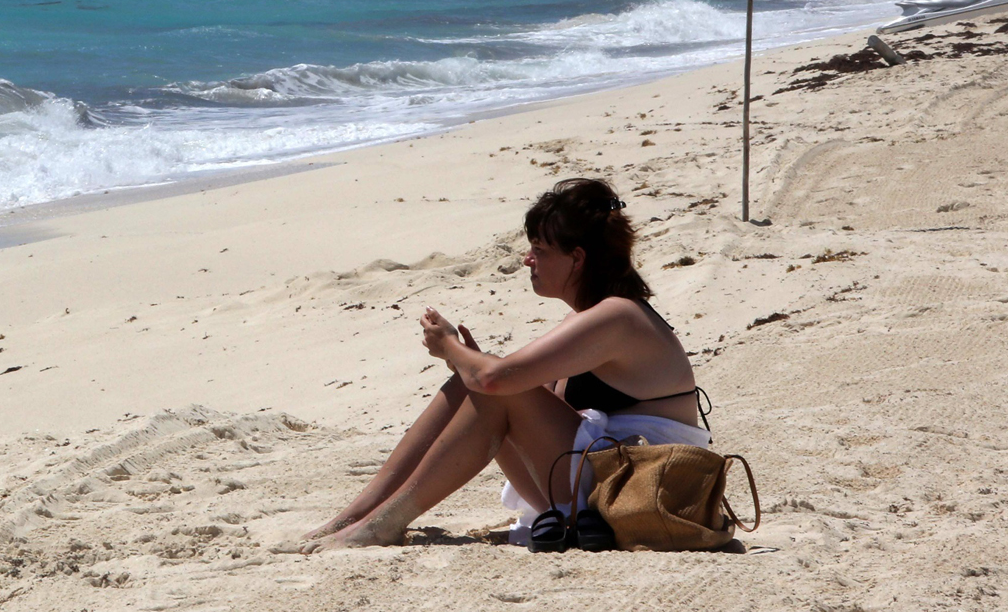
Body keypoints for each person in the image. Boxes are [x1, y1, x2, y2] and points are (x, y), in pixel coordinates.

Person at [302, 179, 707, 552]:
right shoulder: (594, 318)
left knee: (489, 386)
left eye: (541, 250)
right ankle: (360, 515)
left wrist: (451, 348)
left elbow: (497, 382)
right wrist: (468, 366)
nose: (528, 259)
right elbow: (513, 392)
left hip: (642, 491)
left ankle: (382, 524)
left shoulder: (618, 317)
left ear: (577, 258)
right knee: (473, 384)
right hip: (603, 484)